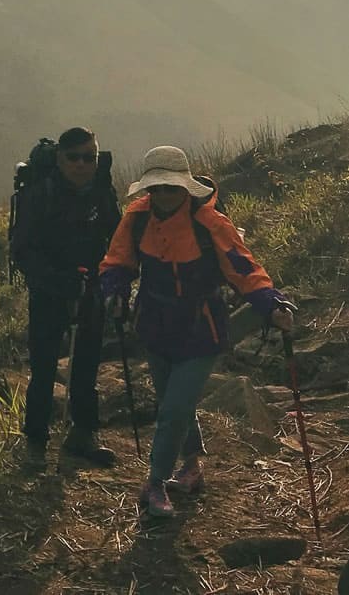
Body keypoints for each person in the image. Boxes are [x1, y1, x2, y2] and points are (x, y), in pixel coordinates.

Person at [101, 145, 295, 518]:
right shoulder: (137, 217)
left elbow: (244, 269)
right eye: (156, 188)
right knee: (173, 403)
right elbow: (117, 261)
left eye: (171, 187)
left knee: (174, 407)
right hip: (154, 324)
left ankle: (155, 483)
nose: (163, 195)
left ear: (186, 187)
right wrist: (114, 292)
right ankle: (191, 468)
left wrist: (271, 304)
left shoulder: (210, 223)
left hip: (200, 328)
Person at [11, 126, 122, 467]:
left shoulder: (102, 191)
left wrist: (114, 279)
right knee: (43, 367)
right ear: (59, 158)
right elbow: (22, 250)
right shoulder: (40, 193)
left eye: (89, 157)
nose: (81, 164)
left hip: (90, 289)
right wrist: (58, 281)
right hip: (48, 292)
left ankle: (83, 433)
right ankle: (36, 441)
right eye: (74, 157)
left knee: (87, 364)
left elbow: (118, 238)